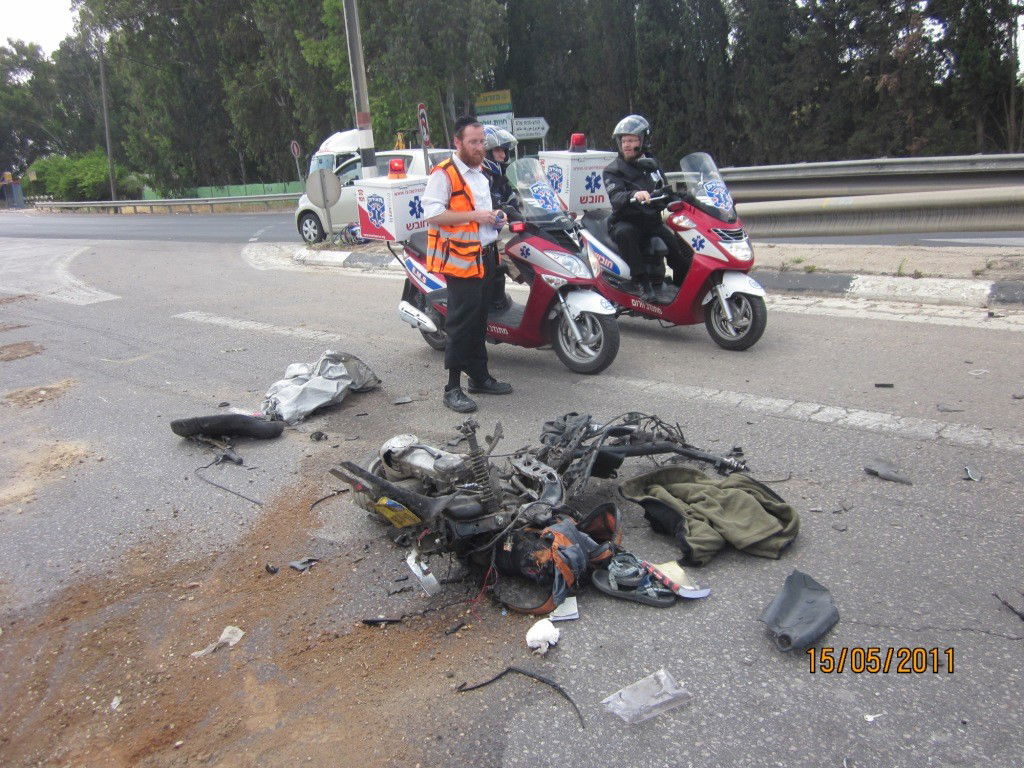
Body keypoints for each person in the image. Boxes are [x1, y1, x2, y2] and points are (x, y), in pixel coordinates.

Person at [422, 115, 513, 414]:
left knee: (480, 321)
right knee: (461, 324)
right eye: (473, 142)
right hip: (460, 261)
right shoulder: (444, 173)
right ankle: (452, 388)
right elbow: (433, 215)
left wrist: (497, 216)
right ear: (457, 142)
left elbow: (482, 211)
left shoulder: (481, 171)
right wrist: (476, 217)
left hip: (486, 255)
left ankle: (479, 377)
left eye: (482, 142)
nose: (479, 148)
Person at [602, 115, 691, 301]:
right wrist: (634, 195)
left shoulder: (652, 165)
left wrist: (690, 199)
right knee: (625, 233)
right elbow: (616, 197)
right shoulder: (613, 170)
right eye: (623, 140)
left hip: (651, 221)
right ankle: (640, 282)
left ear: (643, 141)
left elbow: (665, 190)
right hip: (627, 220)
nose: (626, 145)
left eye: (632, 140)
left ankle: (681, 289)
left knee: (680, 252)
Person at [481, 126, 519, 312]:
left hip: (493, 235)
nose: (503, 155)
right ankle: (493, 303)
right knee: (515, 261)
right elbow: (495, 205)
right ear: (487, 152)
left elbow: (514, 201)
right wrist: (508, 211)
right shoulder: (481, 177)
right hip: (480, 237)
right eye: (498, 150)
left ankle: (497, 300)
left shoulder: (501, 178)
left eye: (504, 150)